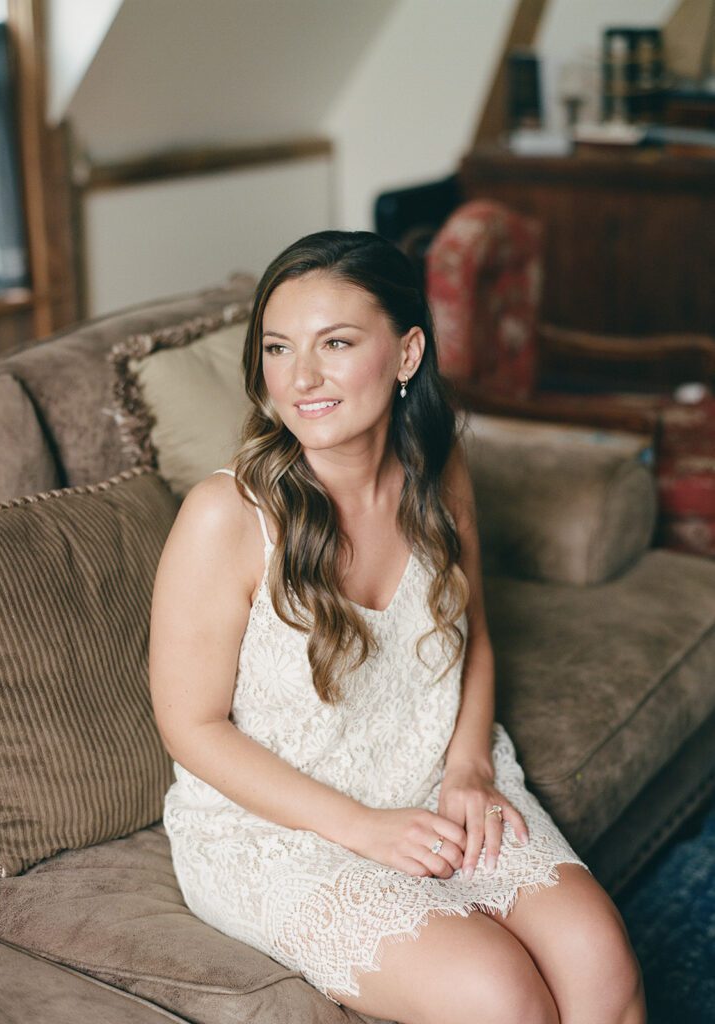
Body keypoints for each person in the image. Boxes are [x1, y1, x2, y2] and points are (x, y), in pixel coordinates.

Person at [150, 230, 646, 1024]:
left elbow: (471, 633)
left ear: (407, 353)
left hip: (429, 776)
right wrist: (364, 831)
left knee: (601, 961)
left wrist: (470, 768)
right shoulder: (227, 517)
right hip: (275, 829)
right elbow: (190, 726)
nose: (301, 377)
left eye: (336, 343)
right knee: (501, 997)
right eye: (278, 349)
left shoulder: (438, 473)